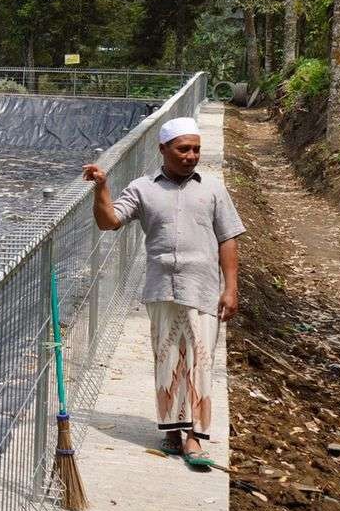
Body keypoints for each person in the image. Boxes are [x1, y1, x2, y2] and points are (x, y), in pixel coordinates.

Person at [83, 116, 244, 471]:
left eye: (196, 149)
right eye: (183, 149)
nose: (191, 156)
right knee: (168, 360)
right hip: (161, 287)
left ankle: (195, 437)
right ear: (163, 149)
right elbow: (109, 222)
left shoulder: (213, 189)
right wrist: (102, 190)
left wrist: (231, 288)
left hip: (203, 288)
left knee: (201, 362)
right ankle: (172, 430)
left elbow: (227, 238)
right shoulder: (143, 189)